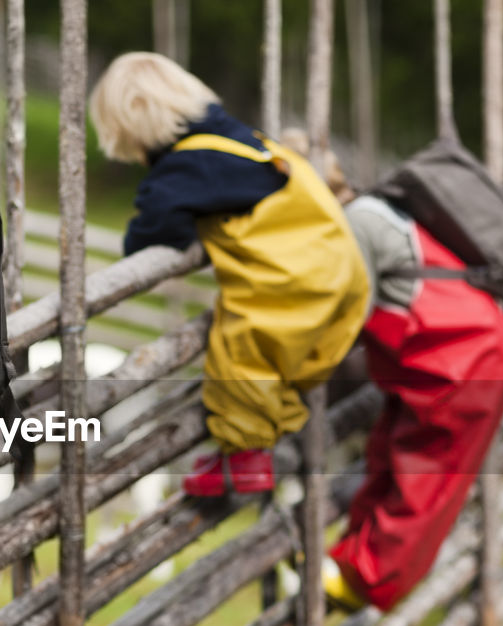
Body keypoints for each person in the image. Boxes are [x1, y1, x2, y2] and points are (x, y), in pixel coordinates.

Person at [89, 52, 371, 497]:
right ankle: (256, 445)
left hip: (296, 280)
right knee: (277, 362)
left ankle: (245, 459)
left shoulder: (186, 168)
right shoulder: (242, 140)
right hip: (342, 270)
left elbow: (149, 237)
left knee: (240, 353)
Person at [312, 152, 503, 613]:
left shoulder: (357, 226)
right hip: (436, 359)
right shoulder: (374, 213)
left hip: (464, 359)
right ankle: (349, 558)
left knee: (423, 475)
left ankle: (370, 579)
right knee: (385, 451)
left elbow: (343, 321)